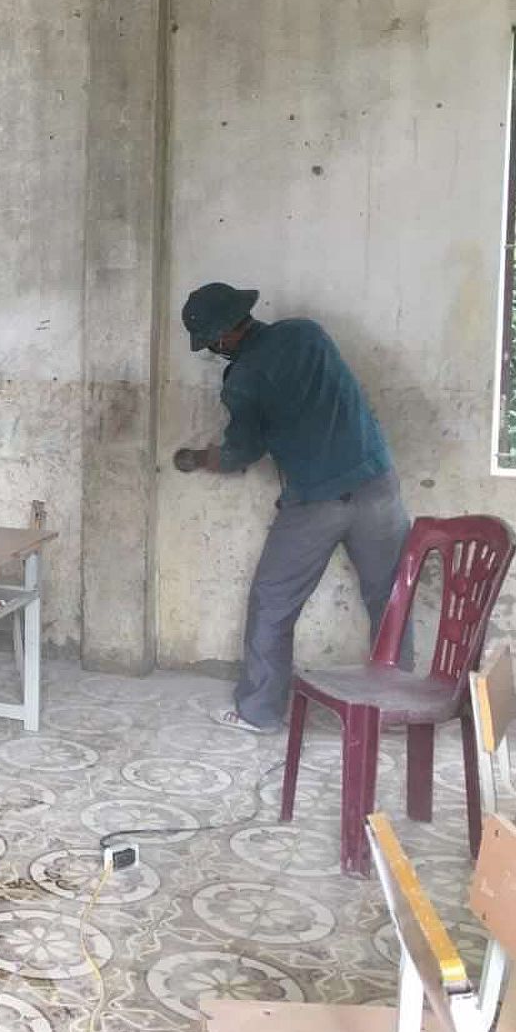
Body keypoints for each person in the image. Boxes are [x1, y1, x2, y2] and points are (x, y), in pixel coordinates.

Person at [173, 282, 410, 734]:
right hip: (377, 484)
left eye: (212, 343)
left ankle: (260, 711)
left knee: (273, 603)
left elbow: (242, 452)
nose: (215, 350)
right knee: (391, 597)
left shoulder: (243, 379)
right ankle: (398, 712)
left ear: (224, 335)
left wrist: (202, 458)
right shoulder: (307, 333)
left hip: (316, 501)